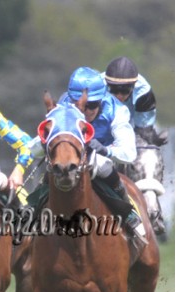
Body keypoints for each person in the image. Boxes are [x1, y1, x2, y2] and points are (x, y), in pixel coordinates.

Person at [58, 66, 147, 244]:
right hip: (69, 157)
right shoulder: (62, 106)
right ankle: (31, 216)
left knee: (103, 166)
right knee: (51, 172)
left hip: (102, 159)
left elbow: (129, 153)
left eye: (93, 105)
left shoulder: (117, 110)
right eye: (80, 105)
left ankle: (128, 213)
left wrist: (106, 150)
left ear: (102, 99)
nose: (86, 111)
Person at [102, 56, 168, 146]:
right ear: (107, 84)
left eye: (125, 90)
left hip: (130, 124)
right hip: (101, 124)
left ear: (134, 86)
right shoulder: (96, 86)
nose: (119, 95)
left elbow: (143, 129)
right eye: (114, 90)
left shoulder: (143, 93)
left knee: (145, 139)